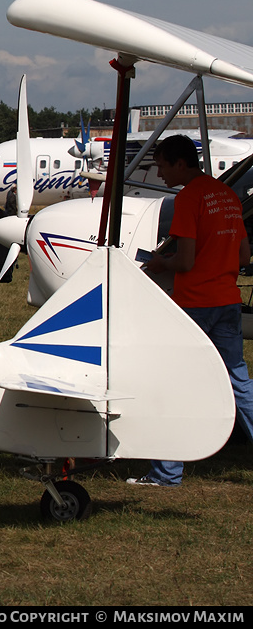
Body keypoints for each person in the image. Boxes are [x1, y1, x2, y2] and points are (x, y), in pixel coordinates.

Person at [129, 134, 253, 488]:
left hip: (195, 304)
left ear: (180, 164)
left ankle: (166, 472)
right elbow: (243, 257)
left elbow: (184, 261)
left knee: (170, 383)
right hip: (227, 301)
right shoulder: (227, 196)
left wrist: (159, 262)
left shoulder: (188, 199)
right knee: (239, 383)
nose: (160, 174)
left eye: (163, 166)